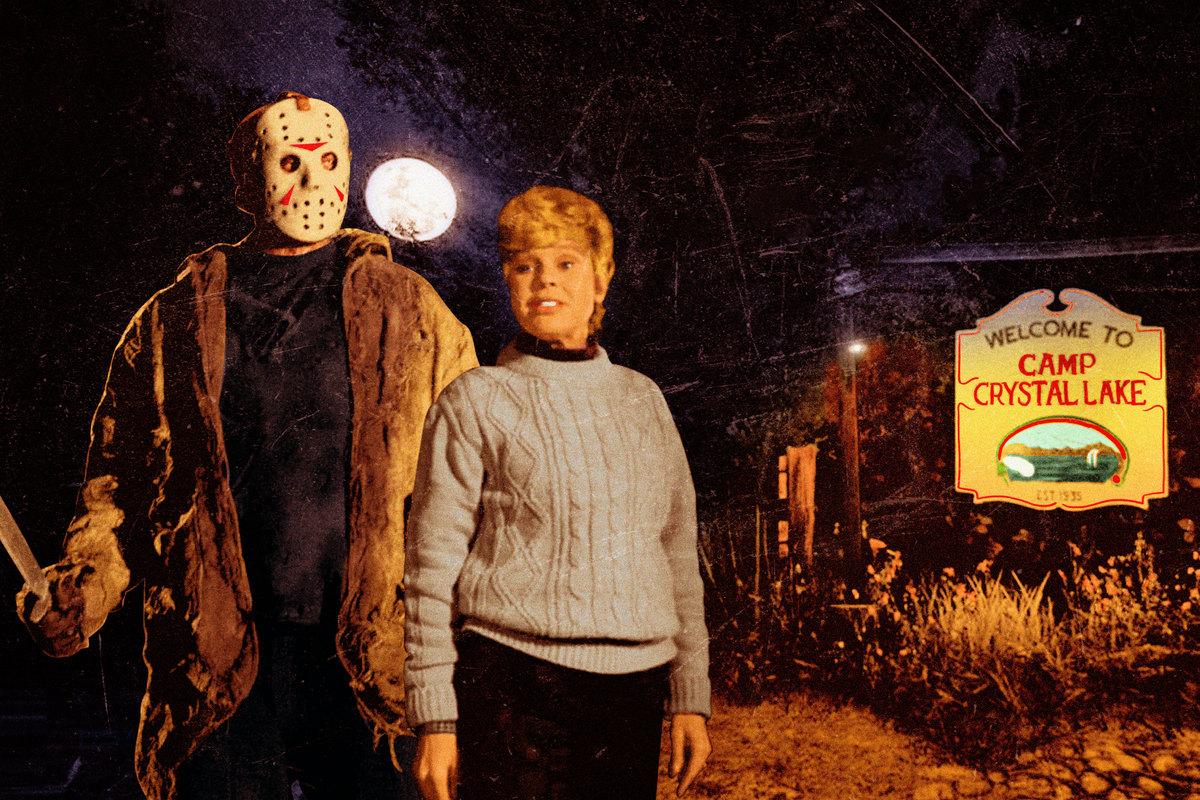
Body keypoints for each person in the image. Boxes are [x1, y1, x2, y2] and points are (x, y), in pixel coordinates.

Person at [15, 92, 477, 800]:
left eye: (329, 162)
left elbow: (471, 477)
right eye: (289, 163)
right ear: (244, 181)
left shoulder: (410, 309)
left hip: (373, 662)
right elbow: (118, 489)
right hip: (217, 661)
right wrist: (84, 589)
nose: (312, 182)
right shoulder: (173, 319)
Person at [403, 185, 712, 800]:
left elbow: (678, 556)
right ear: (509, 282)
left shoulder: (643, 399)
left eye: (566, 263)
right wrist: (436, 718)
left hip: (633, 689)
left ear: (600, 280)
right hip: (513, 681)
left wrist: (690, 696)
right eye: (525, 266)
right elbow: (430, 570)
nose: (545, 279)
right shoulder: (474, 401)